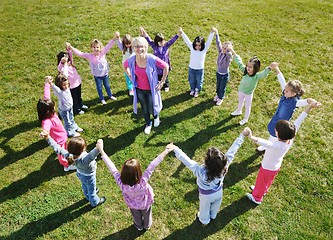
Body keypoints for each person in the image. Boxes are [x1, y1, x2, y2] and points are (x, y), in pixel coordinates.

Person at [243, 100, 321, 205]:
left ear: (278, 134)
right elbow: (299, 120)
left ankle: (257, 197)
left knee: (262, 181)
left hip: (267, 167)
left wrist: (251, 136)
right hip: (275, 167)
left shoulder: (277, 145)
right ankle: (263, 190)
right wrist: (309, 107)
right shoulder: (290, 137)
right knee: (267, 182)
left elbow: (266, 143)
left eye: (276, 130)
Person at [168, 132, 245, 225]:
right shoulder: (224, 168)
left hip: (206, 196)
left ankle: (204, 220)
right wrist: (242, 136)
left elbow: (187, 161)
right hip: (219, 192)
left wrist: (175, 149)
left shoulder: (200, 171)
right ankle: (213, 216)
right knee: (216, 205)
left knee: (204, 208)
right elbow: (232, 151)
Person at [97, 139, 173, 231]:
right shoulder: (143, 182)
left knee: (136, 216)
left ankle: (139, 226)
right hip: (145, 203)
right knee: (147, 215)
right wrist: (166, 151)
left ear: (123, 172)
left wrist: (101, 150)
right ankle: (147, 226)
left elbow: (112, 168)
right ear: (138, 172)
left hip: (133, 205)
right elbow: (152, 165)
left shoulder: (121, 183)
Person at [40, 130, 106, 207]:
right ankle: (95, 202)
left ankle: (87, 196)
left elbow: (57, 147)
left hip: (80, 174)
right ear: (83, 149)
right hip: (89, 177)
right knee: (92, 190)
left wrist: (48, 137)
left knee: (84, 186)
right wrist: (100, 142)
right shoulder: (85, 159)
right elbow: (97, 149)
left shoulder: (69, 156)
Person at [257, 66, 316, 151]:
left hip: (282, 126)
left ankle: (271, 147)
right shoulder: (286, 94)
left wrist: (311, 101)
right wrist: (277, 69)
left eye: (287, 91)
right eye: (285, 90)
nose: (284, 91)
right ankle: (267, 145)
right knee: (272, 134)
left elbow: (305, 102)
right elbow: (282, 81)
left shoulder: (294, 103)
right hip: (275, 119)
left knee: (276, 137)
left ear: (293, 94)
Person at [123, 36, 169, 135]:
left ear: (145, 47)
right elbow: (124, 66)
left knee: (152, 106)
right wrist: (131, 77)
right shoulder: (132, 59)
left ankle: (156, 117)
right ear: (133, 48)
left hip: (151, 89)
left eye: (141, 46)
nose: (139, 49)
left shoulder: (151, 58)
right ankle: (148, 123)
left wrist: (162, 82)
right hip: (139, 89)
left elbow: (166, 66)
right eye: (136, 47)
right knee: (144, 107)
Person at [229, 47, 278, 125]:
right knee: (240, 102)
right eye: (247, 66)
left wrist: (270, 68)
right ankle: (239, 111)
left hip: (248, 94)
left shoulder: (256, 76)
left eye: (250, 67)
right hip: (241, 90)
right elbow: (239, 62)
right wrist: (232, 51)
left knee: (247, 106)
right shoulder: (244, 70)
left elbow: (264, 73)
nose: (248, 68)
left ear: (255, 68)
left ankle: (245, 118)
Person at [66, 34, 118, 105]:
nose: (96, 49)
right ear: (91, 48)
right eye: (94, 47)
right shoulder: (90, 56)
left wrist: (114, 38)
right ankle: (102, 99)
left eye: (97, 47)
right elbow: (80, 54)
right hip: (97, 76)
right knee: (99, 88)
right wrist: (71, 48)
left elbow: (109, 45)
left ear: (100, 48)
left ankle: (110, 95)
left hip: (105, 74)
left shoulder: (102, 53)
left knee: (107, 86)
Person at [37, 78, 76, 172]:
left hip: (63, 136)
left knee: (66, 149)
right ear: (48, 111)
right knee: (61, 153)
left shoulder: (50, 111)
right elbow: (46, 128)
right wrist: (45, 133)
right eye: (52, 107)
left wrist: (47, 84)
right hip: (58, 141)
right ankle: (66, 165)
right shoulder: (47, 121)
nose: (54, 107)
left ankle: (68, 159)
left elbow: (47, 96)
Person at [140, 27, 180, 92]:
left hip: (165, 65)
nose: (162, 42)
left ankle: (166, 85)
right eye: (160, 41)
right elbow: (148, 39)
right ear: (157, 42)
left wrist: (178, 34)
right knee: (158, 76)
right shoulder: (154, 46)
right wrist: (143, 31)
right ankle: (158, 83)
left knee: (165, 76)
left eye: (163, 41)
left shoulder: (166, 46)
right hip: (157, 66)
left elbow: (172, 41)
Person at [179, 27, 214, 97]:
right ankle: (192, 89)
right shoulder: (192, 47)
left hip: (200, 69)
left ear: (202, 45)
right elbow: (187, 40)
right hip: (191, 68)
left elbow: (209, 41)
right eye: (196, 45)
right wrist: (182, 32)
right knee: (191, 80)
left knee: (199, 81)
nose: (197, 47)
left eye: (199, 45)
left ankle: (197, 91)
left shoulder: (205, 49)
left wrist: (212, 32)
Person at [57, 49, 88, 115]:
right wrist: (62, 62)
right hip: (72, 86)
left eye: (68, 60)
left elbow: (71, 56)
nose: (68, 61)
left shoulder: (71, 64)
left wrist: (69, 50)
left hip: (78, 83)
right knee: (74, 99)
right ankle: (76, 109)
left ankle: (80, 105)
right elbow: (59, 68)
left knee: (79, 96)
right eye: (67, 61)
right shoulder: (62, 68)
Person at [212, 28, 233, 106]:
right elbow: (218, 43)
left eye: (225, 48)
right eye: (223, 48)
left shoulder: (228, 57)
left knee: (222, 87)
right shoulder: (221, 52)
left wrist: (229, 50)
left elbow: (230, 55)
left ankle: (221, 98)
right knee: (218, 85)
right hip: (219, 73)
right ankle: (218, 95)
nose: (223, 49)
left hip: (224, 75)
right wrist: (216, 33)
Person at [115, 32, 134, 96]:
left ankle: (135, 86)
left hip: (133, 64)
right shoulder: (123, 47)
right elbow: (118, 42)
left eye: (129, 44)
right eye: (126, 44)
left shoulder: (133, 48)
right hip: (126, 66)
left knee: (134, 75)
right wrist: (118, 37)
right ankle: (130, 88)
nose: (128, 45)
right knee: (128, 77)